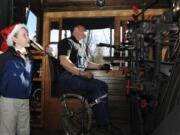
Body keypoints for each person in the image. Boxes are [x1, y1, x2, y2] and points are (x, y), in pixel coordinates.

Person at [58, 25, 122, 135]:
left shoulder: (81, 46)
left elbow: (86, 63)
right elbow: (64, 61)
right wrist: (81, 72)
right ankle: (104, 125)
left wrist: (101, 66)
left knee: (103, 86)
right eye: (84, 30)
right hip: (67, 77)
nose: (86, 32)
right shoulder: (66, 42)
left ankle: (100, 119)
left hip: (77, 77)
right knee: (96, 87)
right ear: (76, 29)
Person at [0, 23, 32, 135]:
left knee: (24, 130)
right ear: (14, 38)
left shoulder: (29, 57)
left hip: (25, 99)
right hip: (9, 100)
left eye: (28, 35)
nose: (28, 38)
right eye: (24, 35)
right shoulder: (5, 57)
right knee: (7, 131)